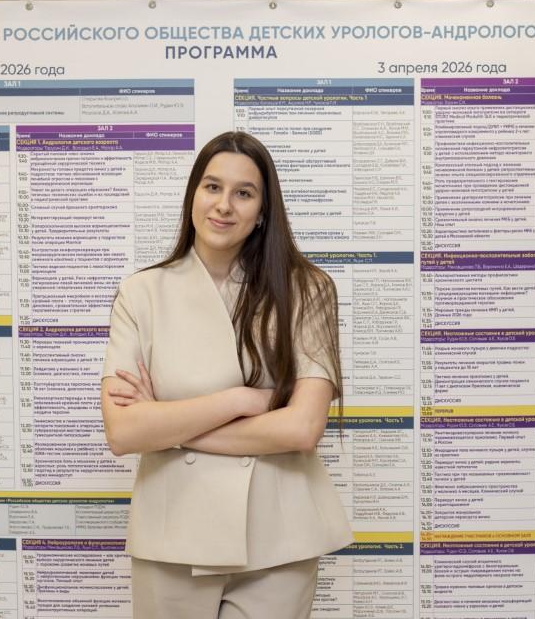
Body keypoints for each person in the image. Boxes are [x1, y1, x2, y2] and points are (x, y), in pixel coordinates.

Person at [101, 131, 352, 619]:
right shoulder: (141, 293)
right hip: (172, 535)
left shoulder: (307, 289)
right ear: (193, 194)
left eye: (244, 193)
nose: (224, 205)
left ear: (262, 211)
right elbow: (123, 432)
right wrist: (239, 401)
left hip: (279, 537)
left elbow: (302, 428)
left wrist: (168, 426)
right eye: (212, 187)